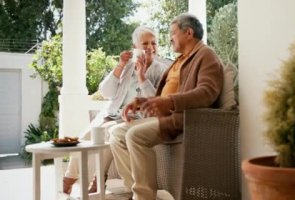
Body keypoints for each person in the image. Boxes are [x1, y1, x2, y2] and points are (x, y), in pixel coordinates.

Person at [109, 13, 224, 200]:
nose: (170, 38)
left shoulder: (205, 55)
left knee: (134, 135)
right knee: (116, 134)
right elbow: (162, 96)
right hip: (163, 115)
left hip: (181, 118)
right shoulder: (179, 60)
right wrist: (142, 103)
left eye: (173, 32)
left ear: (188, 33)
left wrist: (170, 102)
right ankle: (138, 192)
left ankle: (143, 197)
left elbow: (207, 92)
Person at [62, 25, 168, 195]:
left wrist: (142, 77)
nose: (150, 47)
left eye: (154, 43)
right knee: (84, 137)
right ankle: (69, 177)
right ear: (135, 48)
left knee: (108, 132)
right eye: (145, 43)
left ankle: (98, 178)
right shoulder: (127, 67)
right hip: (110, 113)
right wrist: (120, 66)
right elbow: (105, 92)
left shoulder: (160, 70)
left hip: (133, 118)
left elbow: (155, 101)